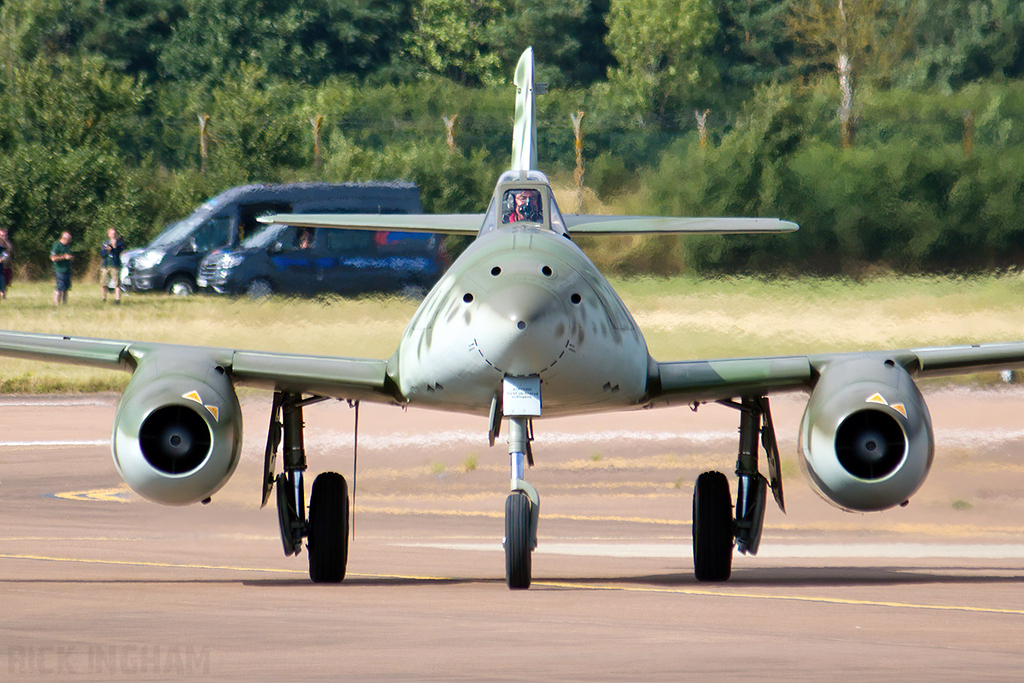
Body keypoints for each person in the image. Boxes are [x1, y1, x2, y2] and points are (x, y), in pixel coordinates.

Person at [99, 228, 126, 304]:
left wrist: (114, 247)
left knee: (117, 283)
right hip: (106, 265)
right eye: (111, 233)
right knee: (103, 283)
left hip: (115, 265)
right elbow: (102, 254)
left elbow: (119, 251)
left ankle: (117, 299)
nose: (113, 235)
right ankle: (103, 298)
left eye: (114, 233)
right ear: (108, 234)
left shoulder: (119, 243)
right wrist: (107, 250)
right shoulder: (105, 243)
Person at [50, 231, 73, 306]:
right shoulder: (57, 245)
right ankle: (57, 303)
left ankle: (64, 304)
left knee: (66, 288)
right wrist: (64, 257)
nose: (69, 241)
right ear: (64, 238)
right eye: (69, 239)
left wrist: (70, 258)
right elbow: (53, 258)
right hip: (60, 270)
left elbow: (69, 256)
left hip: (67, 269)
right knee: (60, 287)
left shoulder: (67, 246)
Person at [0, 228, 11, 301]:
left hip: (1, 269)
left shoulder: (2, 247)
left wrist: (2, 259)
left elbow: (7, 253)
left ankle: (2, 296)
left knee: (2, 282)